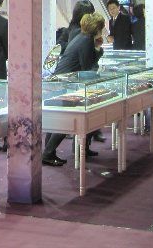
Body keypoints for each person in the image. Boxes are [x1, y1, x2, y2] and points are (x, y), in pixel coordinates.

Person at [42, 13, 106, 166]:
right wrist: (98, 51)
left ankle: (49, 152)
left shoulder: (82, 37)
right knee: (65, 121)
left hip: (61, 81)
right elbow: (87, 67)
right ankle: (48, 153)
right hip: (66, 83)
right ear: (97, 28)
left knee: (59, 119)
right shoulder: (86, 41)